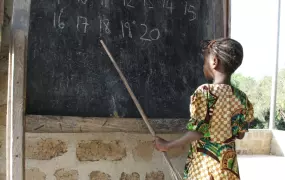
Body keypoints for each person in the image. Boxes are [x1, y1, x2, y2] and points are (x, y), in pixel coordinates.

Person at [154, 38, 254, 180]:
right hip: (228, 169)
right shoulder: (241, 98)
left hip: (205, 168)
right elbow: (240, 135)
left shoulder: (205, 92)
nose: (203, 66)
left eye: (204, 61)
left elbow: (197, 132)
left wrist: (167, 145)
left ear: (214, 61)